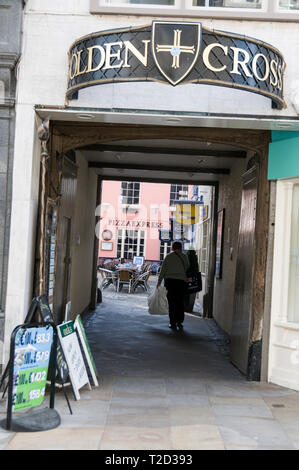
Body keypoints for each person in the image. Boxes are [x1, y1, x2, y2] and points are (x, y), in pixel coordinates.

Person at [157, 241, 190, 331]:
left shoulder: (168, 257)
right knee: (180, 302)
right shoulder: (185, 256)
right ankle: (179, 321)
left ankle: (172, 323)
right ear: (180, 248)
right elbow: (187, 267)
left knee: (172, 303)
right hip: (181, 282)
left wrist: (159, 282)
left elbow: (163, 271)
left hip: (170, 282)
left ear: (172, 247)